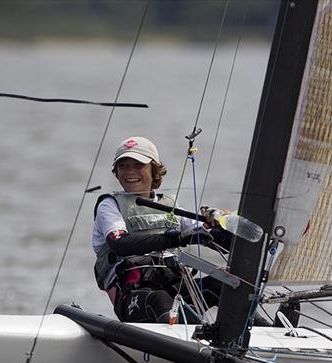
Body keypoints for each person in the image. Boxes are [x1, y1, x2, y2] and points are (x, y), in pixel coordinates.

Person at [92, 136, 230, 323]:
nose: (130, 171)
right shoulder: (109, 205)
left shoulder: (170, 205)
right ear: (116, 171)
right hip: (134, 297)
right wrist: (177, 238)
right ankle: (193, 343)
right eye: (123, 165)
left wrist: (224, 226)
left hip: (174, 290)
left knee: (225, 285)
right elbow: (120, 244)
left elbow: (211, 237)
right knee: (159, 299)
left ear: (154, 170)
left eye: (138, 165)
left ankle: (270, 333)